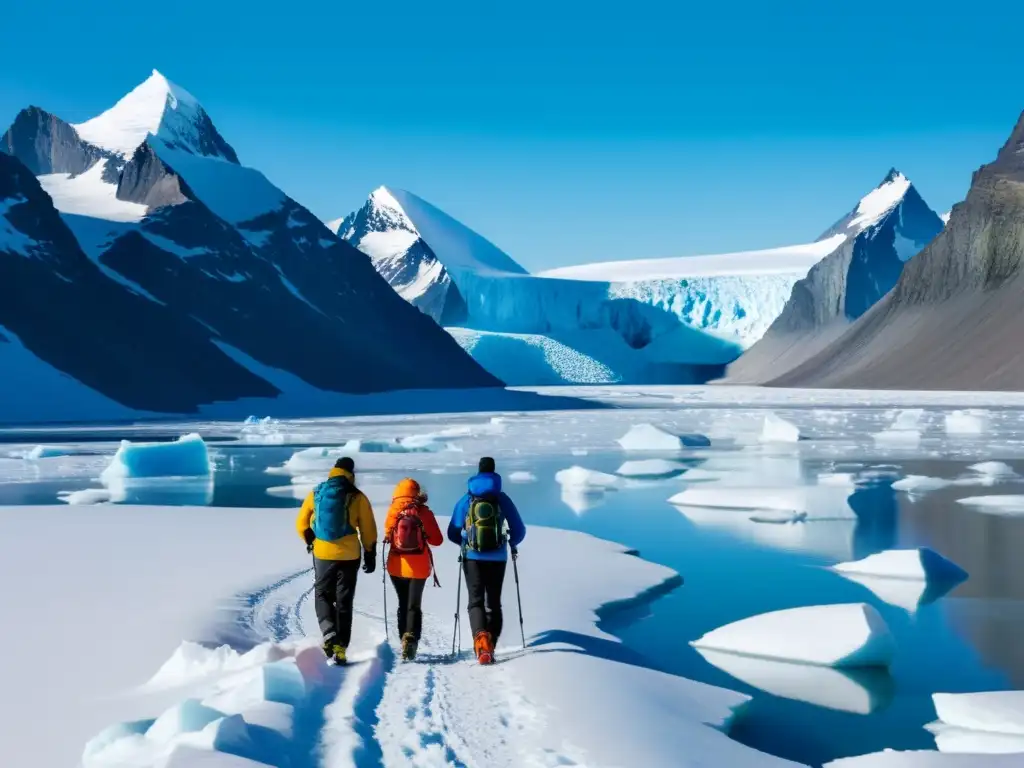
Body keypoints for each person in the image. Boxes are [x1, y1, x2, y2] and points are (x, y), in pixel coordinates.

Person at [295, 456, 377, 665]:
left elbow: (301, 523)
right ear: (351, 473)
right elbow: (368, 530)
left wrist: (309, 538)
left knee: (322, 593)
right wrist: (370, 553)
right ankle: (340, 646)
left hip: (323, 553)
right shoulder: (357, 496)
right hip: (350, 555)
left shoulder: (317, 492)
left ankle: (329, 632)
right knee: (344, 599)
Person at [448, 456, 526, 664]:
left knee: (475, 601)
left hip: (472, 557)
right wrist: (510, 541)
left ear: (478, 472)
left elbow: (452, 532)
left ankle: (481, 642)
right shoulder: (502, 498)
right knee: (493, 603)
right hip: (498, 557)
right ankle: (489, 645)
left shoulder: (468, 498)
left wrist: (465, 540)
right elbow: (519, 530)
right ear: (494, 472)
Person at [384, 478, 444, 661]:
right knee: (414, 605)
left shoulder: (394, 510)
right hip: (418, 566)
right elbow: (437, 540)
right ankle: (411, 639)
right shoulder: (423, 512)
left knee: (403, 602)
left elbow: (387, 534)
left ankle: (404, 637)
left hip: (396, 565)